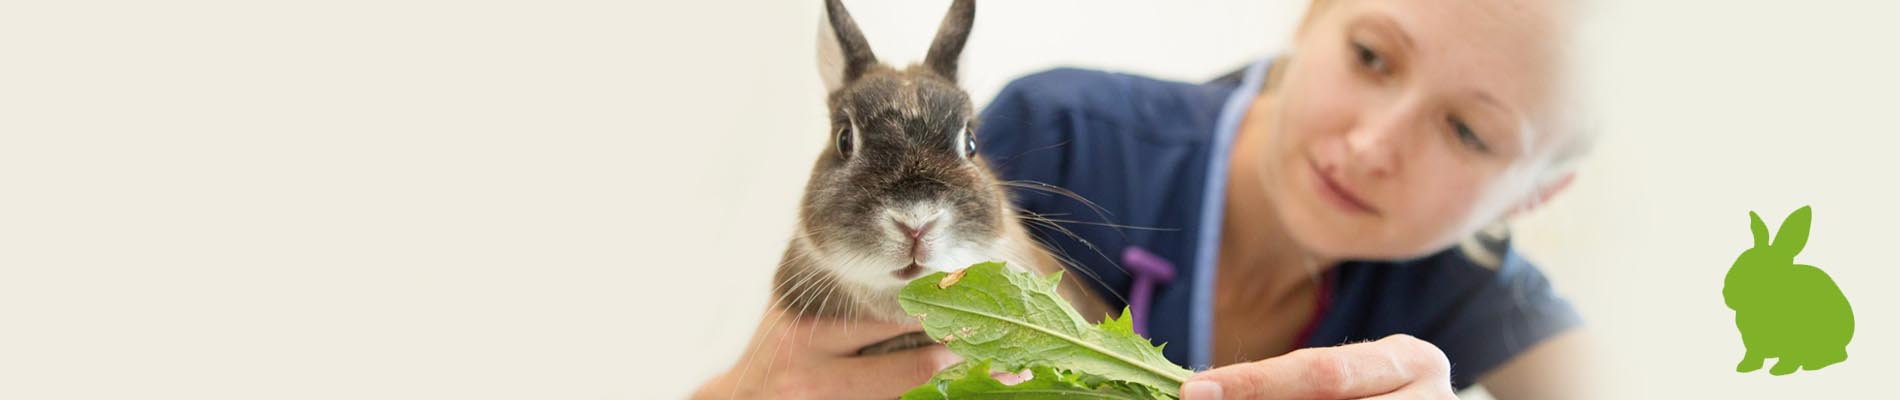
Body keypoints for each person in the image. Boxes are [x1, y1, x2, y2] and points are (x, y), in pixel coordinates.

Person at [696, 0, 1593, 398]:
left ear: (1540, 189)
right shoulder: (1070, 132)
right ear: (1313, 13)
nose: (1371, 145)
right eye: (1371, 56)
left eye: (1469, 133)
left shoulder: (1485, 292)